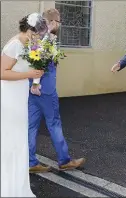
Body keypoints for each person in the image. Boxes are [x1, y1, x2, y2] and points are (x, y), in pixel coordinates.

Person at [28, 8, 85, 173]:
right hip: (44, 89)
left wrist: (33, 84)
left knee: (31, 126)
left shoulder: (33, 37)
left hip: (32, 90)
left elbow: (32, 60)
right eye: (59, 21)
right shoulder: (48, 38)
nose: (59, 24)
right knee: (54, 123)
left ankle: (31, 162)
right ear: (52, 22)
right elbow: (41, 63)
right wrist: (37, 83)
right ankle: (64, 160)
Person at [1, 13, 46, 197]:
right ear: (29, 31)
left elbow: (32, 66)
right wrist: (28, 75)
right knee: (10, 138)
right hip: (9, 96)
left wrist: (36, 78)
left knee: (19, 137)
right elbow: (2, 73)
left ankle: (17, 183)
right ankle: (7, 186)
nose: (39, 38)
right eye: (37, 34)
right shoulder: (15, 44)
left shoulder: (30, 43)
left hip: (20, 95)